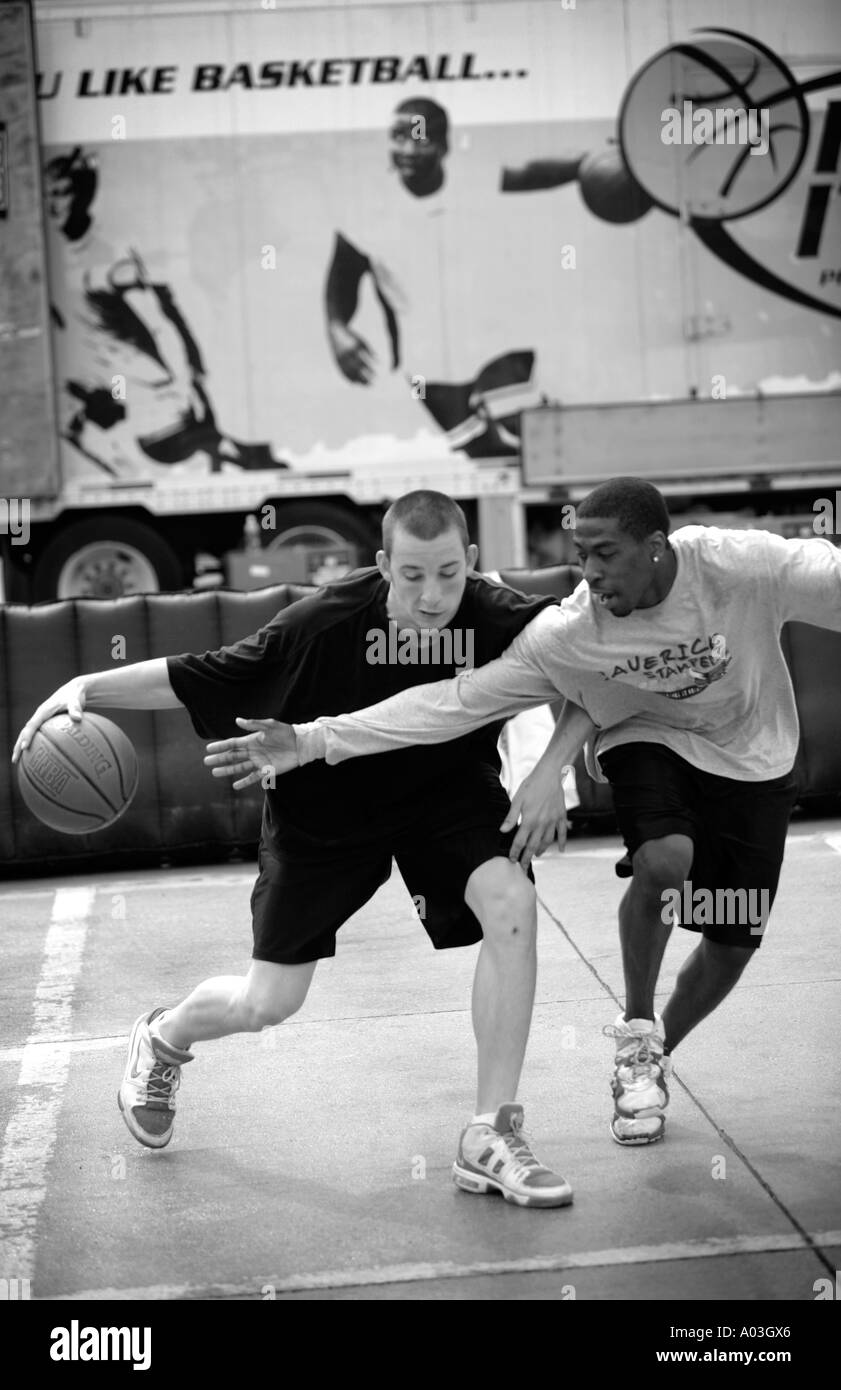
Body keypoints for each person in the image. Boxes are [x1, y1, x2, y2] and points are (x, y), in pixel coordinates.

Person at [205, 478, 841, 1147]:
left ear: (656, 548)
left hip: (755, 758)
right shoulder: (576, 626)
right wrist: (311, 740)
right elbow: (453, 702)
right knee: (664, 858)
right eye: (580, 552)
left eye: (605, 553)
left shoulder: (739, 566)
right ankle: (633, 1033)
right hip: (644, 736)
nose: (589, 571)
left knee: (728, 941)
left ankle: (655, 1057)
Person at [13, 490, 593, 1208]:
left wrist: (548, 770)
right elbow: (205, 670)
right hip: (324, 804)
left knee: (511, 902)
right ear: (382, 565)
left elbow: (584, 673)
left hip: (447, 795)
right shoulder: (324, 624)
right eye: (411, 575)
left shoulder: (497, 612)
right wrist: (84, 686)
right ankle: (164, 1037)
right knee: (268, 1002)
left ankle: (489, 1133)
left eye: (448, 572)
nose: (433, 593)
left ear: (470, 561)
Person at [325, 98, 585, 456]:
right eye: (399, 137)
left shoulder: (472, 179)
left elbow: (531, 173)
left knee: (531, 449)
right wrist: (337, 328)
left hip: (499, 347)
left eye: (421, 138)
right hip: (427, 367)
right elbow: (341, 281)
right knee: (482, 458)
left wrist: (586, 164)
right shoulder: (369, 209)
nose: (407, 149)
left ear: (445, 146)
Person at [44, 146, 286, 478]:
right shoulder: (46, 258)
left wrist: (189, 380)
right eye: (48, 194)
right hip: (100, 392)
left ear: (82, 194)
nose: (53, 204)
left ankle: (238, 457)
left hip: (145, 393)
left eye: (62, 193)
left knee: (175, 464)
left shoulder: (110, 254)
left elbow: (161, 320)